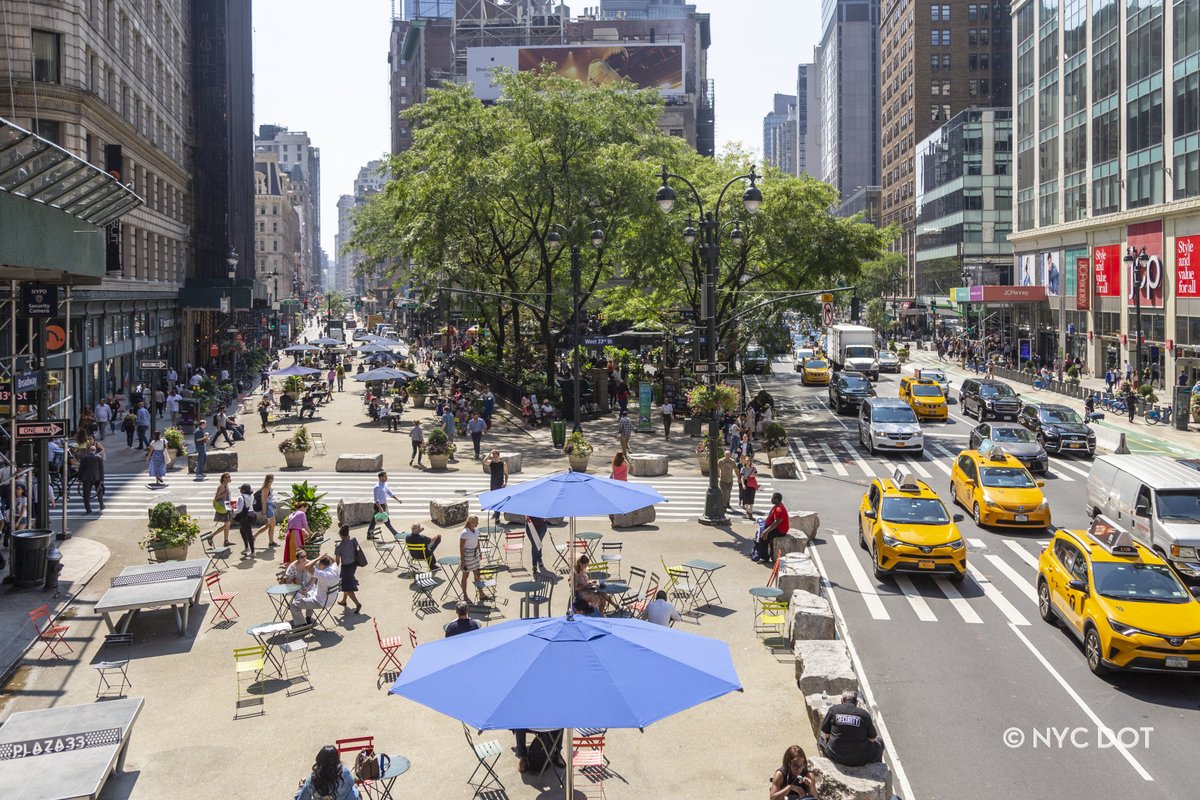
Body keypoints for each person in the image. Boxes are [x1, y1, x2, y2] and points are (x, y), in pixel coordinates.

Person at [819, 689, 884, 767]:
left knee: (821, 737)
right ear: (856, 702)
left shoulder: (834, 710)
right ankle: (877, 767)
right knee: (879, 742)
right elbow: (872, 739)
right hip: (860, 758)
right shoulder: (864, 715)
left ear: (842, 700)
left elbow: (826, 734)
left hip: (836, 755)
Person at [288, 553, 340, 627]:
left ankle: (302, 625)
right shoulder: (334, 569)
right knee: (308, 594)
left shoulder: (323, 574)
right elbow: (334, 561)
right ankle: (308, 618)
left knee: (293, 605)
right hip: (330, 600)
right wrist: (326, 556)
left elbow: (307, 567)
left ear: (321, 565)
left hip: (320, 601)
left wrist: (318, 558)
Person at [294, 744, 359, 800]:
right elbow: (352, 782)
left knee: (302, 787)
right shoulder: (345, 773)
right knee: (353, 789)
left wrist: (301, 787)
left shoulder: (312, 780)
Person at [333, 524, 363, 613]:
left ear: (341, 535)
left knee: (347, 587)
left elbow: (337, 562)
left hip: (346, 567)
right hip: (354, 565)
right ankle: (344, 601)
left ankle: (357, 604)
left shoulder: (338, 546)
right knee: (345, 584)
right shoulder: (352, 540)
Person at [754, 492, 790, 562]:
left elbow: (776, 523)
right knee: (760, 534)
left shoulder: (779, 509)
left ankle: (764, 557)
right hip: (775, 528)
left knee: (762, 538)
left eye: (773, 498)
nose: (771, 499)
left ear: (777, 499)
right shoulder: (776, 506)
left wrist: (766, 531)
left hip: (780, 530)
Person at [367, 471, 402, 540]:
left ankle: (369, 534)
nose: (387, 478)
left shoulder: (385, 484)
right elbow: (376, 499)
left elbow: (390, 492)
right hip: (379, 506)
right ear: (381, 477)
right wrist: (380, 508)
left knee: (374, 521)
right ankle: (395, 534)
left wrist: (397, 499)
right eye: (385, 476)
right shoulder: (377, 487)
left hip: (383, 505)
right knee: (387, 521)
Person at [460, 515, 482, 602]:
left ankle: (481, 593)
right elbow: (461, 547)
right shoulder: (465, 532)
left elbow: (477, 541)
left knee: (477, 574)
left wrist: (480, 552)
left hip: (474, 554)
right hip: (467, 555)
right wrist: (463, 561)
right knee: (465, 575)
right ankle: (465, 595)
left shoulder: (476, 530)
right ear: (471, 523)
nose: (477, 523)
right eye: (476, 522)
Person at [77, 445, 105, 514]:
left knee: (86, 494)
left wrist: (79, 478)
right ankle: (101, 505)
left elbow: (80, 469)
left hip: (86, 478)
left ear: (89, 451)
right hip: (97, 478)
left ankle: (88, 509)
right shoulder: (99, 458)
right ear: (95, 451)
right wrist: (102, 479)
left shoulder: (84, 458)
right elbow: (101, 469)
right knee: (99, 492)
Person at [254, 474, 279, 547]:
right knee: (272, 525)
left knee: (268, 525)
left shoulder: (268, 488)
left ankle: (254, 536)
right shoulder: (266, 489)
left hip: (270, 507)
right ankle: (271, 542)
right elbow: (264, 501)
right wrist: (264, 513)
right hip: (268, 508)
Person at [484, 450, 508, 524]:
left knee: (499, 501)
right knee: (494, 500)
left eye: (496, 456)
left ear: (498, 456)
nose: (494, 457)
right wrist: (490, 453)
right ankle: (496, 512)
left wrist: (506, 483)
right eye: (493, 456)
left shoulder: (503, 464)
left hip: (500, 483)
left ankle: (497, 517)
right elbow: (484, 461)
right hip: (493, 483)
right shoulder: (491, 463)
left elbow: (506, 474)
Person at [234, 483, 256, 557]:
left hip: (245, 516)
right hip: (251, 514)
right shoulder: (251, 496)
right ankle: (247, 548)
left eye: (241, 489)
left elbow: (239, 510)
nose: (240, 490)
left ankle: (252, 551)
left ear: (243, 490)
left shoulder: (241, 497)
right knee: (242, 530)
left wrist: (232, 510)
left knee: (249, 534)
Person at [212, 473, 233, 547]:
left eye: (229, 477)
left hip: (227, 505)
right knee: (226, 525)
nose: (228, 478)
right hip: (223, 506)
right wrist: (224, 494)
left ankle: (226, 541)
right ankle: (211, 536)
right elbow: (216, 498)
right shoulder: (221, 487)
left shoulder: (226, 485)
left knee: (227, 525)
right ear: (223, 478)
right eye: (226, 477)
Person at [739, 455, 760, 519]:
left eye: (748, 461)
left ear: (750, 461)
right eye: (746, 461)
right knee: (746, 498)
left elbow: (756, 474)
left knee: (751, 498)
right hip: (746, 483)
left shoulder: (753, 468)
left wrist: (752, 475)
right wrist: (743, 485)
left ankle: (750, 512)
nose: (747, 462)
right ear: (744, 461)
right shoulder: (743, 469)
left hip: (751, 484)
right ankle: (748, 512)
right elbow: (742, 478)